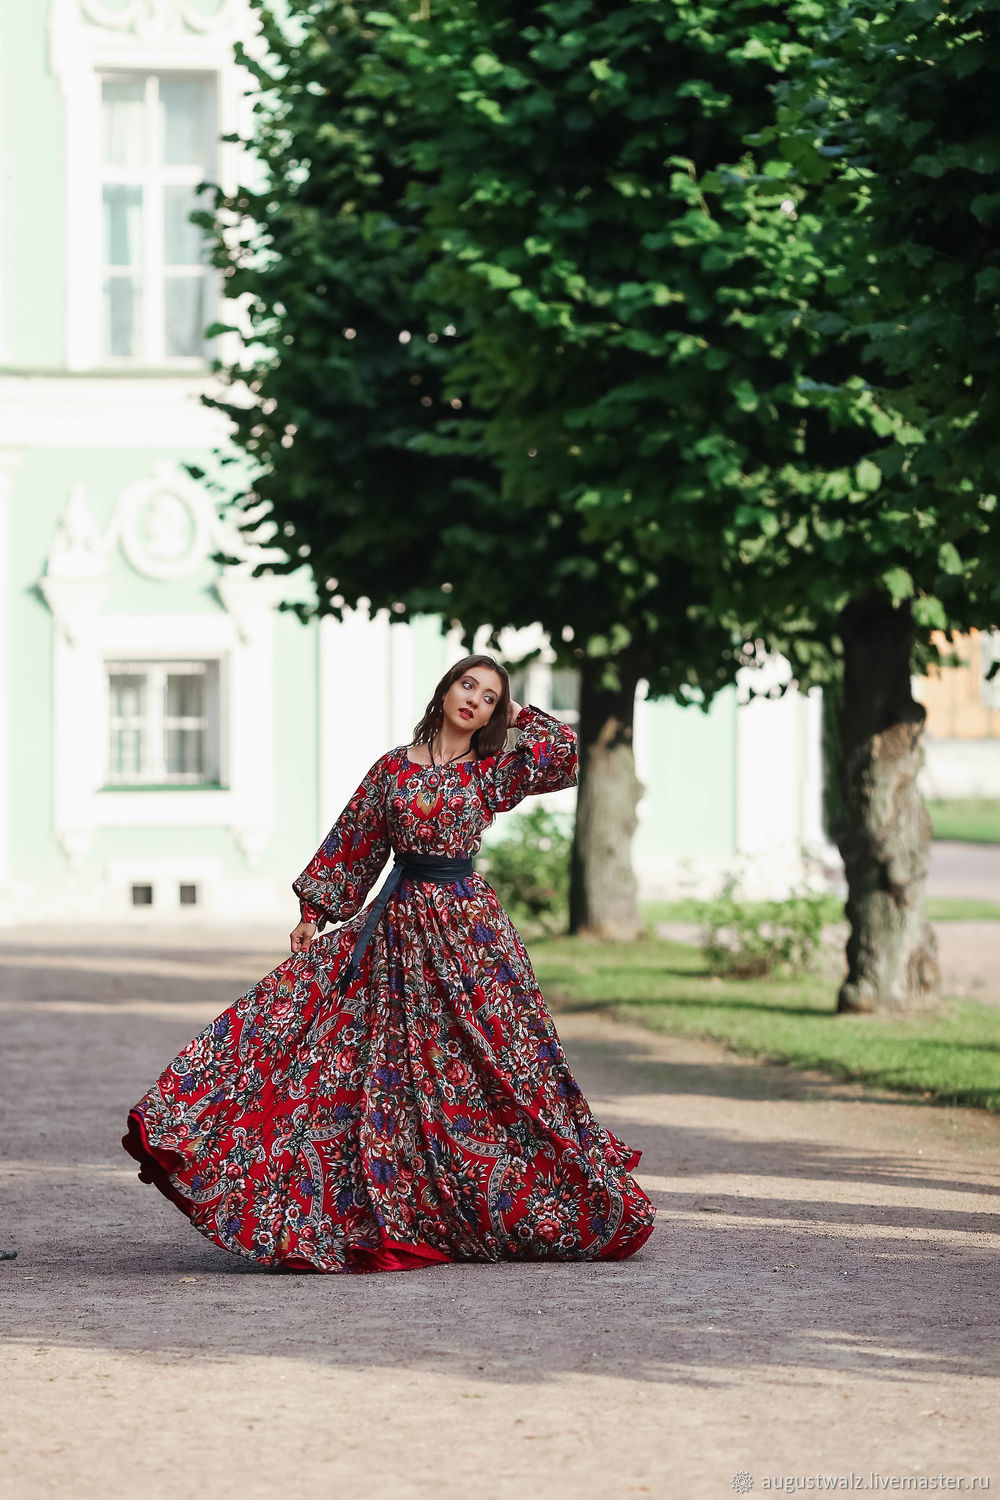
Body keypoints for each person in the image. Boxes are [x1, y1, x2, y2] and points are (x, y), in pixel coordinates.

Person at [122, 654, 656, 1273]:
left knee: (496, 1061)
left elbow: (564, 756)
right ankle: (393, 1195)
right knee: (374, 1058)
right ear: (445, 688)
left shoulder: (490, 771)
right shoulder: (392, 770)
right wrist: (313, 913)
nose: (475, 701)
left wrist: (514, 714)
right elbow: (356, 839)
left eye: (488, 697)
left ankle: (507, 1191)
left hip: (471, 935)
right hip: (399, 928)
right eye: (468, 686)